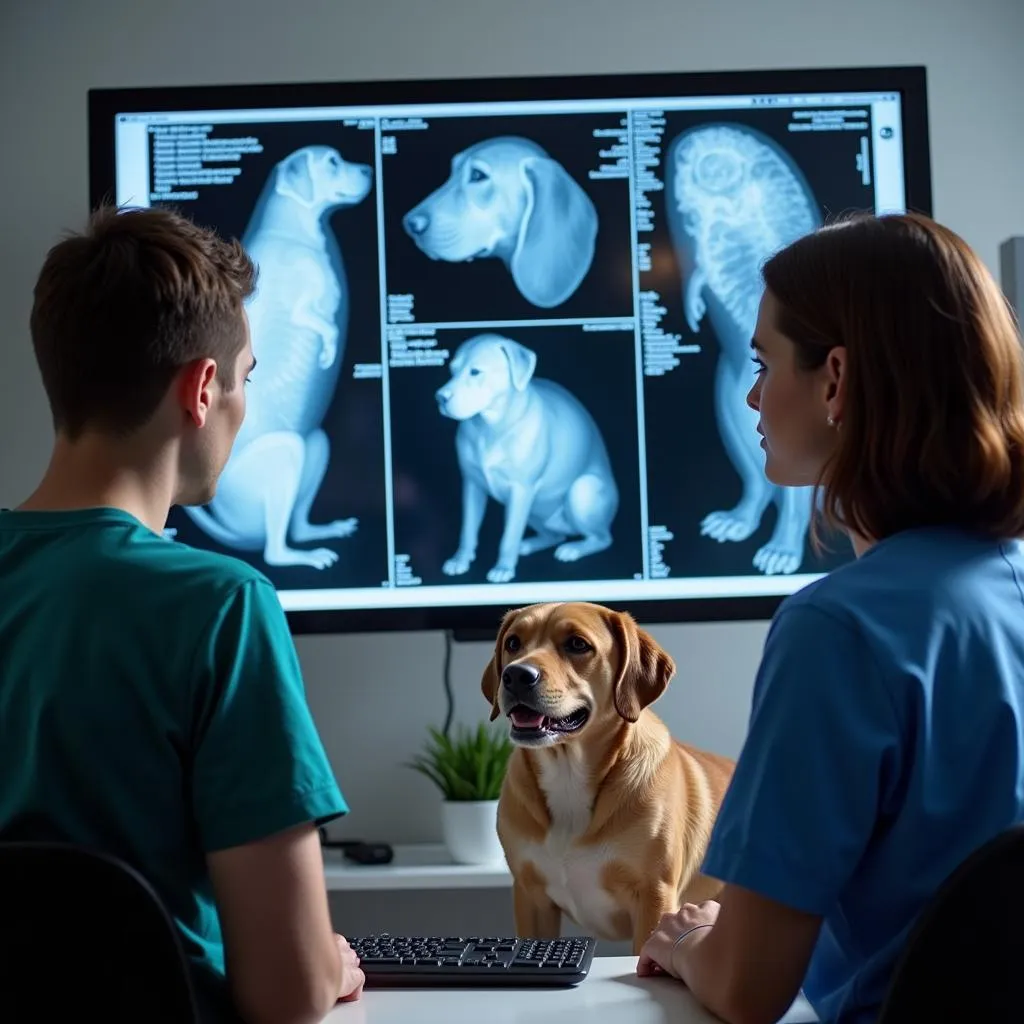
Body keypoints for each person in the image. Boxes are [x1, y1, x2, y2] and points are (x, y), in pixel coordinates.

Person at [637, 212, 1024, 1024]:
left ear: (836, 379)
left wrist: (683, 943)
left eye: (763, 361)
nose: (751, 393)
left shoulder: (839, 631)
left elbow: (748, 989)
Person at [0, 205, 364, 1024]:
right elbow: (288, 998)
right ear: (203, 389)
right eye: (249, 378)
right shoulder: (219, 606)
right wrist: (329, 966)